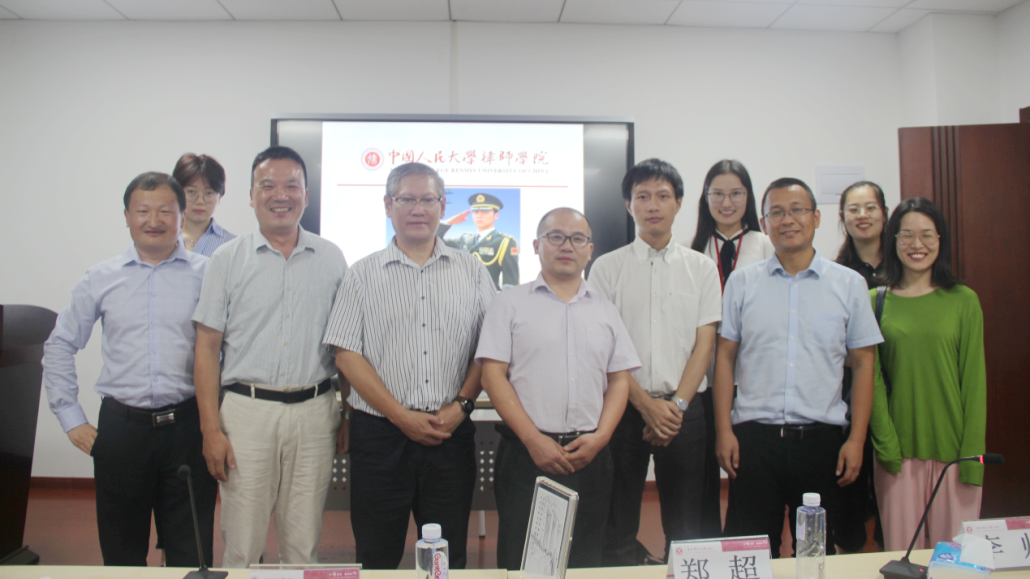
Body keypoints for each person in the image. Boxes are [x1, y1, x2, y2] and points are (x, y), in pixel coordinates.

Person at [323, 163, 496, 570]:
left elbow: (489, 348)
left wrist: (462, 405)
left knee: (445, 558)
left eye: (428, 200)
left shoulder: (472, 270)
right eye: (407, 200)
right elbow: (346, 354)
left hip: (449, 432)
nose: (418, 209)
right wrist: (401, 417)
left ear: (442, 206)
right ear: (388, 205)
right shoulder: (361, 274)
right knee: (376, 554)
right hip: (380, 437)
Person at [41, 172, 215, 567]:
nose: (153, 220)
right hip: (122, 431)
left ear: (182, 215)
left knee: (191, 553)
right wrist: (70, 418)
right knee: (122, 556)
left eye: (165, 211)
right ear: (126, 216)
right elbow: (60, 344)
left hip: (188, 428)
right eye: (142, 211)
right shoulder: (100, 278)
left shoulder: (208, 274)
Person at [192, 146, 348, 568]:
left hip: (315, 412)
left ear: (306, 196)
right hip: (247, 412)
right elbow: (206, 349)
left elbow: (345, 344)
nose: (281, 195)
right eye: (268, 186)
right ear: (250, 195)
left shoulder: (332, 258)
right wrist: (210, 430)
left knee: (303, 543)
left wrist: (346, 413)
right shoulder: (226, 259)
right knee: (242, 544)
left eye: (291, 186)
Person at [714, 178, 882, 557]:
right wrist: (723, 430)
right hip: (754, 441)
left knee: (815, 554)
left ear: (816, 217)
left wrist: (856, 440)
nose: (787, 220)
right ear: (764, 222)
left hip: (822, 443)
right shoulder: (742, 283)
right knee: (751, 554)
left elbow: (863, 363)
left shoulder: (849, 284)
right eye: (776, 212)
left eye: (797, 210)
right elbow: (724, 357)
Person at [476, 208, 640, 570]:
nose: (567, 246)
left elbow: (619, 379)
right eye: (555, 237)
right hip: (527, 454)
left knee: (586, 558)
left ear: (590, 250)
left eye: (577, 238)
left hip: (590, 454)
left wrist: (601, 437)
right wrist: (534, 440)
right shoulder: (509, 303)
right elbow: (492, 377)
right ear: (536, 245)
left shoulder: (605, 309)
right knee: (523, 559)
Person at [590, 159, 721, 565]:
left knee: (687, 528)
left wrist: (675, 408)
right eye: (642, 196)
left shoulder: (701, 268)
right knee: (617, 524)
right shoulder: (606, 268)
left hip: (684, 412)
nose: (652, 205)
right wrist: (646, 405)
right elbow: (604, 348)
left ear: (679, 203)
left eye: (663, 196)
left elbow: (705, 345)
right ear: (628, 204)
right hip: (622, 408)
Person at [869, 197, 986, 551]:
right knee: (903, 558)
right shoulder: (875, 300)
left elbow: (974, 384)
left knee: (956, 562)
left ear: (940, 240)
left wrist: (972, 459)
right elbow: (871, 381)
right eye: (906, 235)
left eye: (927, 235)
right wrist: (886, 447)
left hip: (955, 455)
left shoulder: (963, 300)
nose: (916, 244)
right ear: (893, 239)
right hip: (898, 455)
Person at [689, 159, 774, 538]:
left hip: (753, 378)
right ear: (705, 198)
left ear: (748, 198)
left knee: (748, 468)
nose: (727, 202)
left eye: (736, 193)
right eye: (718, 194)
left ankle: (743, 541)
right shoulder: (692, 249)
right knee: (704, 468)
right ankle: (707, 544)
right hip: (704, 376)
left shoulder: (766, 245)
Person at [834, 180, 890, 552]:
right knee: (850, 491)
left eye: (870, 207)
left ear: (884, 213)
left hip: (897, 394)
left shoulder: (906, 268)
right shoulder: (837, 273)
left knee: (892, 493)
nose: (862, 215)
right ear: (842, 218)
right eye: (853, 209)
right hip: (849, 394)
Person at [438, 192, 519, 290]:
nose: (479, 215)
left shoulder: (504, 242)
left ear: (496, 215)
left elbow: (511, 285)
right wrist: (448, 222)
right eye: (475, 212)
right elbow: (434, 242)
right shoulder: (465, 239)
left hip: (489, 297)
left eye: (485, 212)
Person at [173, 153, 235, 256]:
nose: (200, 201)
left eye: (209, 193)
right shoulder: (161, 239)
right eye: (191, 192)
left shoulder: (233, 244)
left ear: (219, 196)